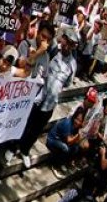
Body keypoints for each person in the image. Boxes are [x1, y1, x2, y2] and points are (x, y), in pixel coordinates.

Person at [18, 27, 79, 168]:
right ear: (62, 39)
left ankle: (25, 150)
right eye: (66, 41)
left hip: (50, 103)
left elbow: (68, 83)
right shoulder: (51, 51)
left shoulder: (72, 65)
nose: (67, 46)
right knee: (26, 122)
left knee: (37, 129)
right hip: (36, 96)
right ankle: (15, 146)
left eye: (71, 44)